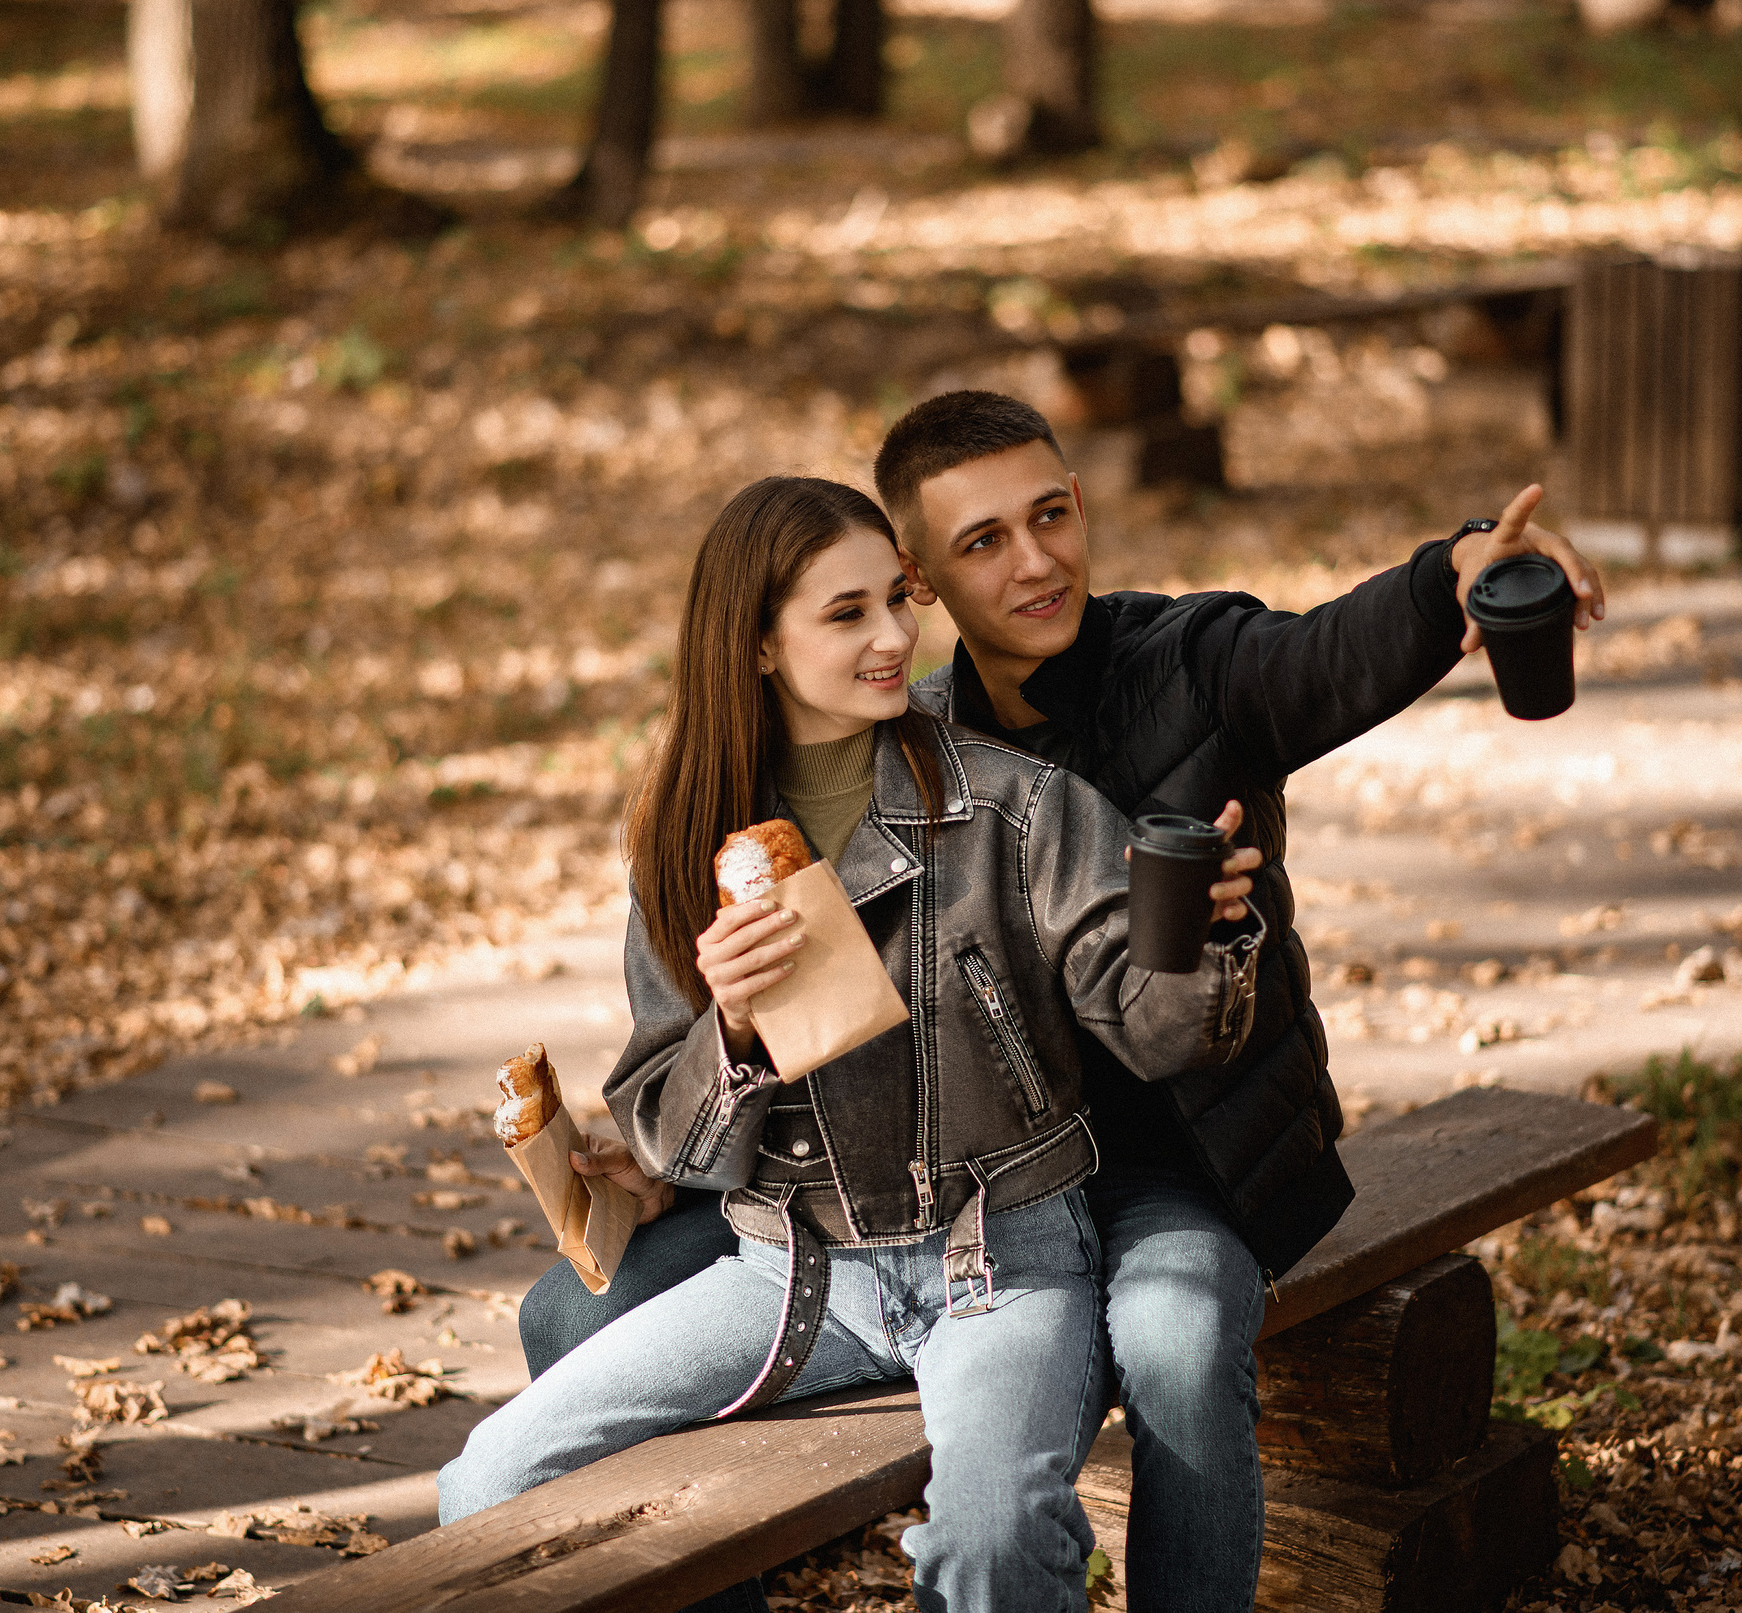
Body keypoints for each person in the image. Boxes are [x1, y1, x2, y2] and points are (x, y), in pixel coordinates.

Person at [520, 394, 1607, 1611]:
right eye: (981, 542)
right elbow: (836, 1023)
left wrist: (1455, 570)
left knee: (1177, 1343)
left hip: (1172, 1146)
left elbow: (1332, 651)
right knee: (570, 1307)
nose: (1033, 559)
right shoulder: (903, 730)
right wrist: (700, 1097)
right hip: (944, 1174)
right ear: (922, 577)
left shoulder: (1193, 668)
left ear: (1079, 506)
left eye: (1049, 516)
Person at [437, 475, 1268, 1613]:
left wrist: (1198, 933)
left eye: (896, 600)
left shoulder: (1015, 807)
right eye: (845, 615)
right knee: (489, 1485)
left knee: (989, 1544)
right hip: (789, 1275)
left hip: (1003, 1264)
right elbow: (666, 1133)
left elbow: (1163, 1034)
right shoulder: (684, 842)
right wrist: (728, 1028)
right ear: (759, 647)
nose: (893, 638)